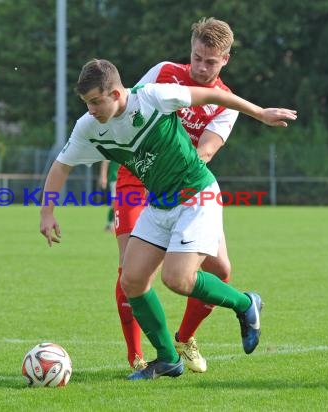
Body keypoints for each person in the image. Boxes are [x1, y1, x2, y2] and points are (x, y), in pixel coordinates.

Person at [40, 58, 296, 380]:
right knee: (131, 280)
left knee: (178, 279)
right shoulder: (88, 127)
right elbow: (62, 165)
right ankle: (167, 359)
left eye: (95, 101)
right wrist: (47, 212)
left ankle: (245, 303)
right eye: (86, 103)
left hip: (197, 196)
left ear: (117, 94)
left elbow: (215, 97)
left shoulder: (153, 97)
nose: (90, 109)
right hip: (159, 204)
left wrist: (259, 113)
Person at [113, 17, 241, 373]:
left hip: (186, 184)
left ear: (225, 60)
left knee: (221, 269)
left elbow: (206, 152)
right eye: (197, 57)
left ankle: (185, 338)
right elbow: (126, 111)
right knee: (131, 271)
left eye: (210, 61)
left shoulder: (225, 102)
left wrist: (175, 175)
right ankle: (137, 355)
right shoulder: (164, 72)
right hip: (137, 180)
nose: (201, 67)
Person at [99, 160, 119, 232]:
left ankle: (113, 224)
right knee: (115, 202)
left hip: (125, 179)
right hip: (115, 178)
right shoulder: (112, 149)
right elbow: (105, 162)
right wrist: (103, 177)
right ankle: (110, 224)